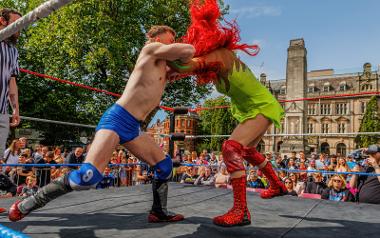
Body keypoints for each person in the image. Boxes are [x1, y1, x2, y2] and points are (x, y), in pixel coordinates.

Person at [8, 25, 195, 222]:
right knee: (88, 176)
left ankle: (159, 211)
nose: (173, 43)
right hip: (117, 119)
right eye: (170, 39)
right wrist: (179, 62)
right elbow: (188, 51)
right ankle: (26, 203)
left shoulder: (162, 67)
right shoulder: (149, 50)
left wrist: (174, 70)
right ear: (155, 39)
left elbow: (185, 63)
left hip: (134, 126)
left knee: (164, 165)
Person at [168, 0, 286, 226]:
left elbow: (184, 66)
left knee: (230, 148)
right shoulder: (218, 60)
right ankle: (277, 185)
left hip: (260, 107)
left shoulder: (221, 55)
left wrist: (155, 54)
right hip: (253, 108)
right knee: (248, 150)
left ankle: (241, 211)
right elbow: (188, 68)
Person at [0, 8, 22, 159]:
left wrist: (15, 109)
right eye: (15, 23)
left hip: (2, 112)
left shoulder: (13, 51)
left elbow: (11, 80)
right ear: (2, 21)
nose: (19, 28)